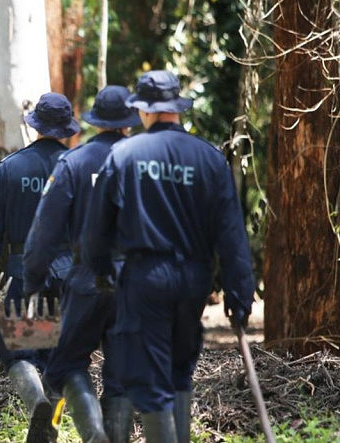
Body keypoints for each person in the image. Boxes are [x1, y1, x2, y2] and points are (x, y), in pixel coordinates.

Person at [82, 70, 254, 442]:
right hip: (195, 279)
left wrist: (100, 272)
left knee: (153, 373)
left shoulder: (124, 155)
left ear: (143, 111)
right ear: (176, 108)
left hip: (145, 277)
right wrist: (240, 294)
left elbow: (97, 231)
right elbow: (232, 233)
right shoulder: (209, 159)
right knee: (180, 369)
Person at [23, 86, 140, 443]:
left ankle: (93, 436)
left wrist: (32, 280)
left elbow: (44, 232)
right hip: (135, 281)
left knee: (67, 362)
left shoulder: (74, 163)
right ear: (129, 123)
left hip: (88, 279)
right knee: (120, 375)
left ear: (95, 121)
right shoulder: (144, 163)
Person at [0, 93, 79, 443]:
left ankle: (35, 400)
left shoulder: (11, 168)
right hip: (67, 272)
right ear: (66, 128)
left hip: (22, 272)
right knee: (60, 356)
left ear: (35, 126)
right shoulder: (77, 166)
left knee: (21, 351)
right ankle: (50, 426)